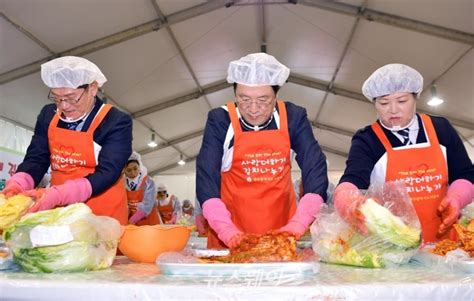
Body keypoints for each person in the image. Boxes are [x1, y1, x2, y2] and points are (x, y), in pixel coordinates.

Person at [196, 53, 328, 249]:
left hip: (283, 232)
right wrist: (226, 231)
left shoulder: (293, 117)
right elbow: (207, 176)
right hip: (230, 233)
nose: (254, 109)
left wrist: (297, 225)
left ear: (276, 95)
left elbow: (314, 167)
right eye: (244, 99)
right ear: (234, 94)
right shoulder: (221, 120)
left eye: (264, 100)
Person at [333, 63, 473, 243]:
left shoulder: (440, 129)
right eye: (384, 102)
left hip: (444, 242)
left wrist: (456, 198)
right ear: (374, 103)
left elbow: (465, 174)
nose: (393, 109)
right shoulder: (367, 140)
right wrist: (349, 202)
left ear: (416, 98)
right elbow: (352, 180)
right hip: (394, 245)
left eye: (402, 101)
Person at [1, 56, 133, 224]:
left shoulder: (115, 121)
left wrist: (58, 195)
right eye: (56, 98)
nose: (63, 106)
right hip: (60, 211)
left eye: (71, 98)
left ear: (93, 88)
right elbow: (36, 158)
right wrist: (19, 183)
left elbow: (108, 172)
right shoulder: (48, 114)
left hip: (102, 212)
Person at [124, 152, 160, 225]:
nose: (133, 173)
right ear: (124, 171)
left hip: (150, 223)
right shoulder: (123, 184)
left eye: (135, 168)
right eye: (129, 170)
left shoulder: (148, 182)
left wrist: (132, 220)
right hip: (134, 225)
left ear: (139, 167)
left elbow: (147, 205)